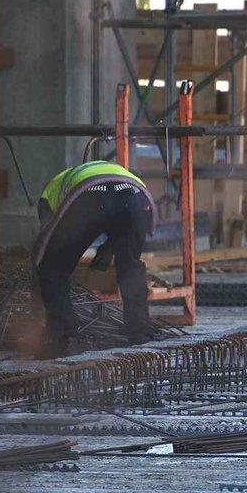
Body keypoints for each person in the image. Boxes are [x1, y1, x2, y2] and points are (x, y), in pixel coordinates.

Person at [33, 149, 155, 355]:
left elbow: (46, 243)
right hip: (137, 198)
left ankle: (64, 338)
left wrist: (39, 269)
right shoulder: (84, 175)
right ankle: (140, 333)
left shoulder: (49, 195)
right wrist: (109, 248)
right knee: (130, 266)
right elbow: (117, 212)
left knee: (53, 269)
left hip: (88, 196)